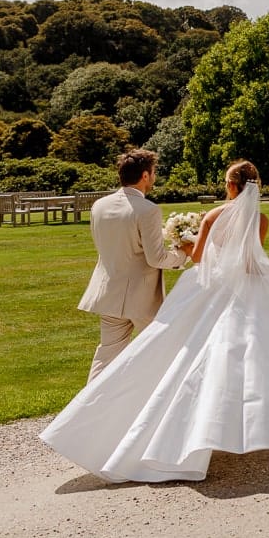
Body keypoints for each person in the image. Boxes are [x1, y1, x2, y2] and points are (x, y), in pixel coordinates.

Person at [41, 160, 269, 483]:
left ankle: (103, 419)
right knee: (226, 363)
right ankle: (217, 430)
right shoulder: (261, 219)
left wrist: (186, 244)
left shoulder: (213, 216)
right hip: (239, 297)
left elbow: (200, 258)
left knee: (165, 358)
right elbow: (250, 262)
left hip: (202, 292)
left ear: (231, 186)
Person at [79, 149, 193, 383]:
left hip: (108, 293)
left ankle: (86, 413)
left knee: (104, 360)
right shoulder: (148, 210)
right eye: (153, 172)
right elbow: (157, 259)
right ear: (144, 175)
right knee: (166, 351)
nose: (154, 177)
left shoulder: (99, 206)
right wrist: (183, 254)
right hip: (142, 300)